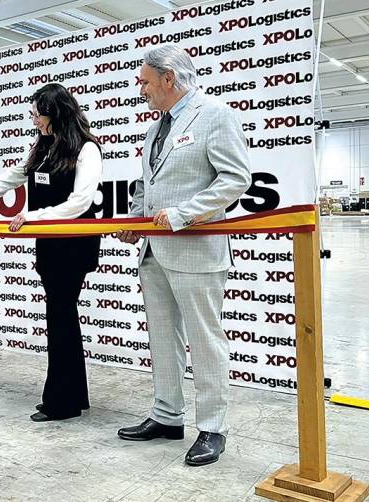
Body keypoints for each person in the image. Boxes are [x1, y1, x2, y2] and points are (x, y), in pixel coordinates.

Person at [114, 44, 251, 466]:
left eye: (146, 82)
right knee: (163, 337)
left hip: (195, 249)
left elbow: (235, 179)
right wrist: (136, 223)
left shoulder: (215, 115)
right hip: (154, 252)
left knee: (205, 342)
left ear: (169, 79)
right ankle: (167, 416)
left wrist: (182, 215)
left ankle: (212, 427)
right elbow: (147, 183)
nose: (141, 89)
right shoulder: (157, 127)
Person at [0, 83, 102, 422]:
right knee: (63, 317)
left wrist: (33, 217)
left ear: (55, 113)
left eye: (37, 115)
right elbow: (18, 174)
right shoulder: (44, 146)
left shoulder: (87, 149)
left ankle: (62, 402)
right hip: (49, 244)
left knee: (60, 317)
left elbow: (79, 203)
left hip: (73, 244)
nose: (34, 121)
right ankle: (75, 395)